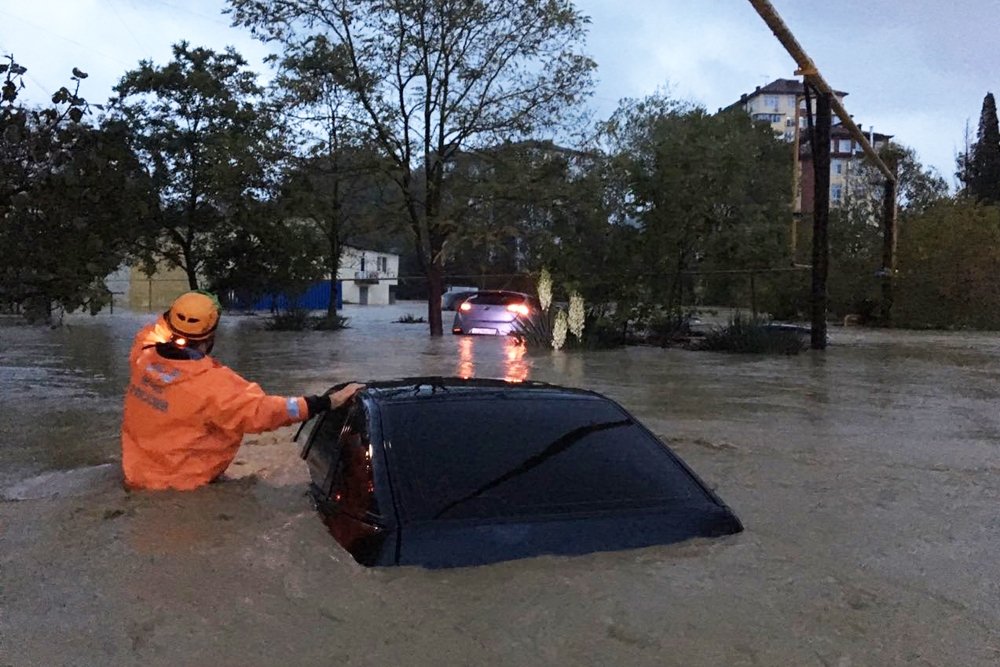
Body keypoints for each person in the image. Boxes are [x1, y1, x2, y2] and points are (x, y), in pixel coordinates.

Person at [121, 290, 363, 491]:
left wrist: (183, 310)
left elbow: (153, 330)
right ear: (211, 336)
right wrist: (324, 402)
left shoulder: (144, 357)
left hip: (135, 477)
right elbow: (267, 411)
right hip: (185, 488)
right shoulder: (215, 385)